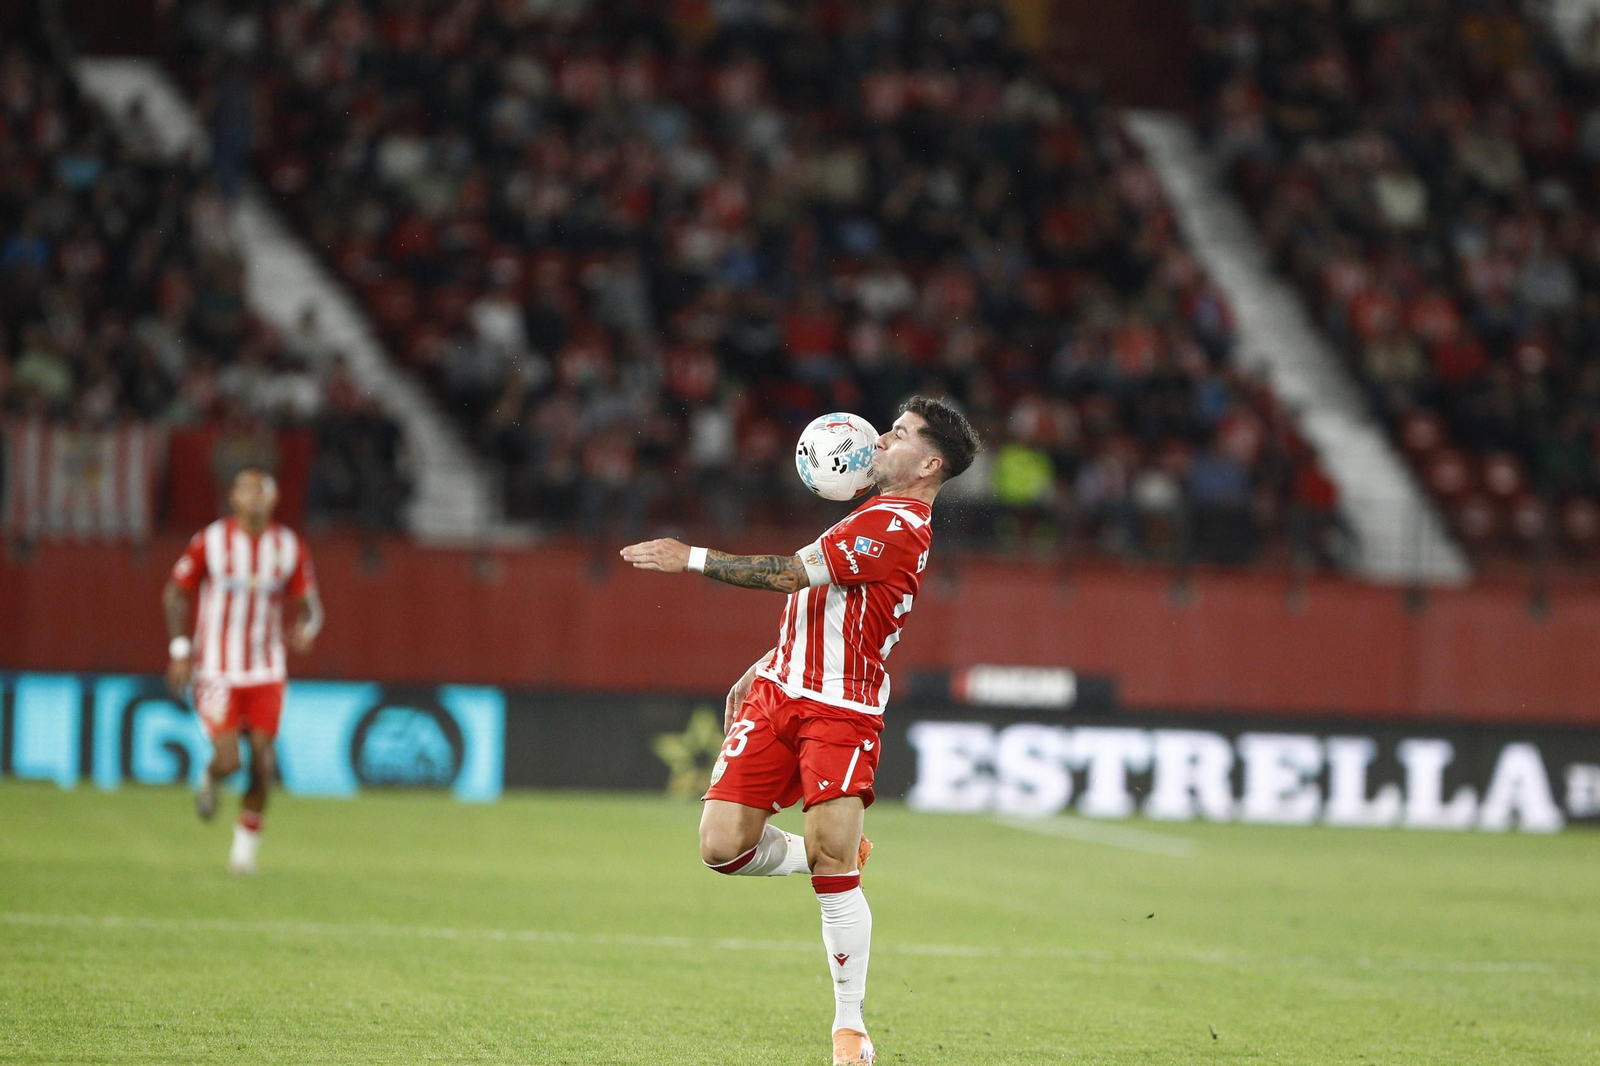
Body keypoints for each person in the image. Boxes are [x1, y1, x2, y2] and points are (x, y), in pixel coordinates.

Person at [621, 396, 979, 1066]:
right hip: (780, 690)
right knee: (722, 848)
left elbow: (790, 575)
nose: (879, 439)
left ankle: (849, 1028)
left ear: (929, 464)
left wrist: (688, 557)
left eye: (898, 434)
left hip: (839, 710)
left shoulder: (899, 524)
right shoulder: (869, 513)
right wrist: (760, 666)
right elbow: (824, 606)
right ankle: (829, 850)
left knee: (832, 871)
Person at [163, 468, 323, 874]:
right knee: (230, 760)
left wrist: (307, 629)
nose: (254, 497)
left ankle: (243, 853)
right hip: (216, 668)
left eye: (262, 490)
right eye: (246, 490)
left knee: (264, 759)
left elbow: (311, 606)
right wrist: (181, 650)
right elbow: (175, 593)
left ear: (274, 498)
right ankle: (211, 776)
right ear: (232, 498)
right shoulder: (211, 541)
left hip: (266, 668)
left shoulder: (288, 547)